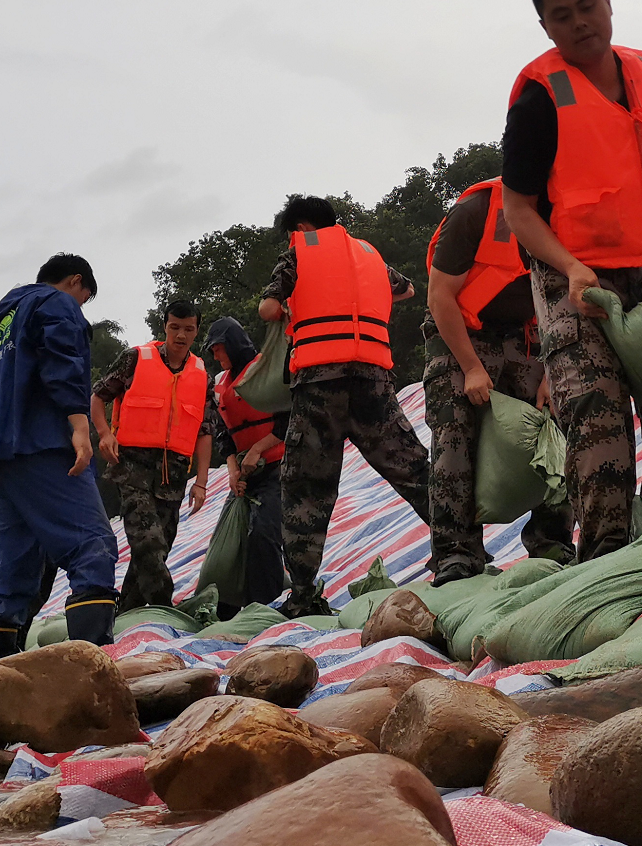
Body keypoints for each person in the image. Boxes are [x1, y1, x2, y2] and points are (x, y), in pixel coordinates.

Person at [501, 0, 642, 563]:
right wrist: (569, 267)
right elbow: (519, 209)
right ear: (547, 29)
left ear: (608, 2)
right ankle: (608, 562)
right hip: (576, 282)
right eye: (561, 16)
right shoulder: (540, 97)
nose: (579, 22)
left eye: (587, 5)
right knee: (598, 423)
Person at [256, 195, 429, 617]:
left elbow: (268, 308)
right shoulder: (368, 254)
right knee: (412, 468)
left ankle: (303, 594)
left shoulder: (299, 251)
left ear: (300, 226)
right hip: (372, 376)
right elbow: (405, 288)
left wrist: (300, 307)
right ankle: (460, 552)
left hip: (320, 382)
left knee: (307, 488)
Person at [0, 254, 121, 662]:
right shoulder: (56, 304)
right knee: (92, 544)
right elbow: (63, 363)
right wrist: (79, 425)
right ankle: (91, 666)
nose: (81, 306)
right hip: (44, 446)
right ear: (75, 282)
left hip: (2, 456)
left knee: (16, 569)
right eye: (84, 298)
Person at [424, 176, 574, 586]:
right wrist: (471, 367)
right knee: (455, 435)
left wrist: (549, 370)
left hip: (526, 339)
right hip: (461, 333)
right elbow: (439, 297)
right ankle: (456, 554)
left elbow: (560, 298)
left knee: (553, 428)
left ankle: (553, 543)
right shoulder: (475, 214)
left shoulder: (566, 215)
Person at [91, 300, 217, 610]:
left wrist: (200, 482)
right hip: (132, 466)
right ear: (165, 327)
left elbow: (204, 432)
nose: (181, 336)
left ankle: (127, 611)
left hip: (173, 475)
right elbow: (97, 396)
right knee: (148, 540)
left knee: (155, 549)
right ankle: (165, 606)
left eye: (188, 329)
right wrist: (105, 433)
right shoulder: (135, 358)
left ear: (196, 331)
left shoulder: (202, 376)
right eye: (175, 327)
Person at [206, 314, 289, 606]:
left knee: (264, 534)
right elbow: (222, 434)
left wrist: (257, 451)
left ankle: (267, 605)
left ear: (234, 344)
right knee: (233, 543)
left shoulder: (266, 369)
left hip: (279, 467)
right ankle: (232, 605)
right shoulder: (218, 386)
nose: (216, 356)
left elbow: (288, 418)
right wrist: (233, 470)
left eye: (218, 348)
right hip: (245, 474)